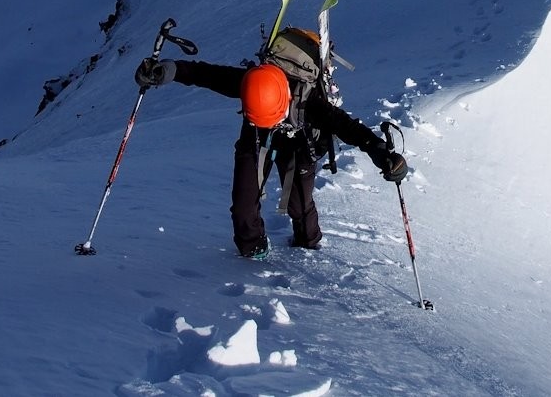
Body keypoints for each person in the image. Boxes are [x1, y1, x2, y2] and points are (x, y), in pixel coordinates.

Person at [135, 26, 408, 259]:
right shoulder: (251, 83)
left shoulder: (308, 100)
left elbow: (345, 126)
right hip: (255, 137)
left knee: (299, 204)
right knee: (244, 204)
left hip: (298, 139)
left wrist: (380, 152)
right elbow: (206, 74)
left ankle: (308, 244)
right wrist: (167, 71)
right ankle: (252, 251)